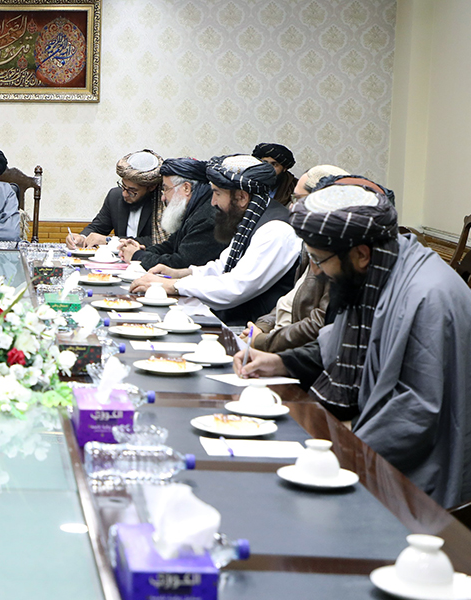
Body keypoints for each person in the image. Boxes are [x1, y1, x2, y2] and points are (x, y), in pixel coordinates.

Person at [234, 183, 471, 507]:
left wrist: (337, 449)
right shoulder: (378, 268)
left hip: (418, 483)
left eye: (318, 259)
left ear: (361, 253)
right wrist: (281, 363)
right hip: (368, 438)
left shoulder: (427, 296)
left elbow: (417, 411)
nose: (315, 270)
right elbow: (343, 345)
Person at [129, 154, 301, 324]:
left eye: (217, 193)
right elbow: (222, 267)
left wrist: (173, 285)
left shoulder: (276, 230)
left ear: (242, 197)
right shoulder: (251, 217)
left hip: (249, 329)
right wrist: (180, 273)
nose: (213, 202)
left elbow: (235, 288)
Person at [240, 164, 351, 353]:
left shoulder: (340, 255)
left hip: (293, 353)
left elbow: (319, 324)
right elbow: (290, 300)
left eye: (299, 199)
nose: (291, 207)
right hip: (275, 342)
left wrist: (263, 341)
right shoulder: (309, 244)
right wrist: (261, 327)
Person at [118, 158, 226, 269]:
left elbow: (180, 264)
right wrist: (142, 251)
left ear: (186, 188)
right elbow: (170, 246)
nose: (163, 198)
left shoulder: (207, 218)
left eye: (166, 189)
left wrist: (137, 256)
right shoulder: (195, 208)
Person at [67, 150, 167, 249]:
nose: (124, 194)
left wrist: (110, 241)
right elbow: (98, 227)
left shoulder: (164, 203)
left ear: (151, 187)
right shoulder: (115, 196)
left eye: (132, 191)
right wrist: (82, 237)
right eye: (123, 186)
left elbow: (158, 241)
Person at [252, 142, 298, 207]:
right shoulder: (247, 182)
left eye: (274, 164)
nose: (268, 168)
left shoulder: (295, 188)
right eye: (264, 163)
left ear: (284, 168)